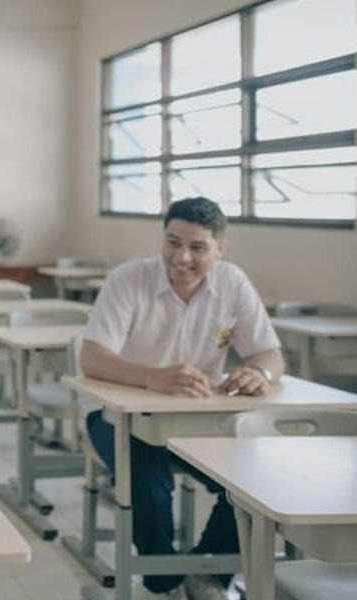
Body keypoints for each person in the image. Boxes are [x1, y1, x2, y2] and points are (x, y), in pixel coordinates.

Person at [80, 197, 284, 600]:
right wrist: (152, 377)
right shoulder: (129, 279)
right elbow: (92, 358)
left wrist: (258, 373)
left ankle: (207, 573)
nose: (181, 257)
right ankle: (162, 580)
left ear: (220, 249)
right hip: (117, 417)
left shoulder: (232, 283)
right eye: (172, 242)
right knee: (150, 480)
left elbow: (271, 355)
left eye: (198, 248)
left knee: (249, 483)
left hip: (198, 417)